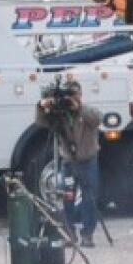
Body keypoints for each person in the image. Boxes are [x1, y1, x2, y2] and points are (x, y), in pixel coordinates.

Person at [35, 81, 102, 247]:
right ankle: (69, 234)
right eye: (68, 95)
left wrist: (78, 107)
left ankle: (87, 235)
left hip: (87, 160)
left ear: (80, 95)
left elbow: (97, 119)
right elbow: (41, 123)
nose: (70, 99)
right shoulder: (60, 113)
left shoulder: (87, 111)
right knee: (67, 198)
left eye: (74, 94)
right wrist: (42, 107)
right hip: (69, 162)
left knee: (89, 198)